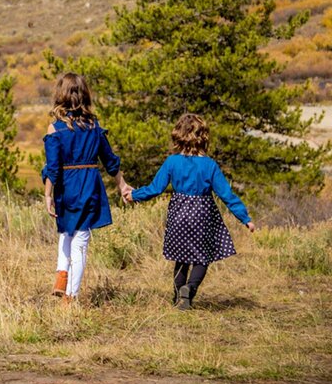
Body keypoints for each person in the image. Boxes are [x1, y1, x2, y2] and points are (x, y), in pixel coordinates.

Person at [121, 113, 255, 310]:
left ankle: (178, 299)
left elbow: (155, 189)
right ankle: (189, 290)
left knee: (181, 259)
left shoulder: (172, 162)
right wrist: (245, 218)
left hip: (178, 215)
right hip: (202, 216)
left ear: (178, 135)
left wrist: (134, 195)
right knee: (203, 257)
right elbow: (227, 194)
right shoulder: (210, 165)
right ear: (203, 137)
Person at [42, 72, 128, 302]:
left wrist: (48, 194)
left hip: (66, 186)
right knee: (80, 241)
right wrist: (122, 185)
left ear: (60, 95)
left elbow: (52, 167)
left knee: (66, 231)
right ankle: (71, 296)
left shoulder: (55, 129)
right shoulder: (94, 127)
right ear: (84, 95)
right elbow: (110, 161)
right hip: (89, 185)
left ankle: (62, 273)